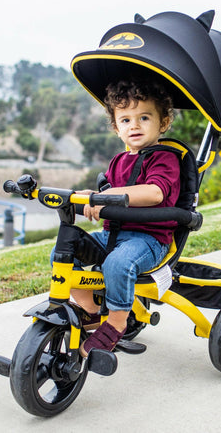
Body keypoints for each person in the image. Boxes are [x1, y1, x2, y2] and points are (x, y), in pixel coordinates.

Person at [67, 78, 180, 356]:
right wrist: (88, 197)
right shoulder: (117, 162)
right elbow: (107, 194)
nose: (135, 125)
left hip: (149, 239)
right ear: (117, 128)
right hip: (113, 235)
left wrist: (109, 194)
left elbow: (154, 193)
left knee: (118, 263)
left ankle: (116, 324)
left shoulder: (165, 158)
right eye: (126, 120)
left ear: (163, 123)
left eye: (144, 117)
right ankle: (92, 311)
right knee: (65, 251)